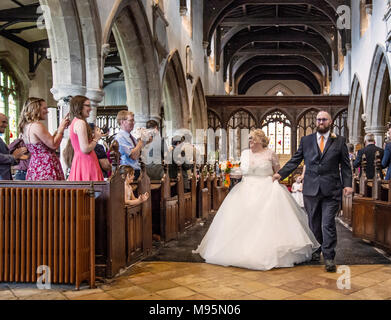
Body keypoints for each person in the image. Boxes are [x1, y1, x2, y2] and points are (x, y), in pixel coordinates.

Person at [193, 129, 319, 271]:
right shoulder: (245, 153)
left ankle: (269, 252)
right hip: (245, 189)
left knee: (265, 221)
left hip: (267, 189)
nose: (250, 141)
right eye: (250, 139)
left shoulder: (270, 154)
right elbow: (242, 171)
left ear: (260, 140)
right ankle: (239, 251)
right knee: (240, 221)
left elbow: (278, 172)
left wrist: (277, 178)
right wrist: (231, 173)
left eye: (253, 139)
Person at [273, 111, 353, 272]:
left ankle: (329, 256)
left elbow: (345, 165)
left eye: (324, 119)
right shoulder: (306, 140)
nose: (321, 122)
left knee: (327, 223)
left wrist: (348, 184)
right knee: (314, 223)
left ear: (330, 122)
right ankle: (317, 250)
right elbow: (295, 160)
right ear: (315, 122)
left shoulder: (339, 141)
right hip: (311, 189)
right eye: (318, 119)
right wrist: (280, 174)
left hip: (332, 189)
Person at [18, 97, 69, 181]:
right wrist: (61, 128)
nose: (47, 111)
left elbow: (49, 142)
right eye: (44, 108)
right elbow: (53, 145)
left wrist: (60, 128)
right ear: (36, 109)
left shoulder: (26, 126)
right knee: (51, 193)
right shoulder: (37, 125)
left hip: (35, 165)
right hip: (45, 165)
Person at [67, 96, 104, 181]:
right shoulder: (80, 122)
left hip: (80, 160)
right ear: (79, 106)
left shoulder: (75, 121)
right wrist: (96, 138)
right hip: (86, 161)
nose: (90, 109)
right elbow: (85, 149)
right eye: (87, 105)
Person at [115, 111, 144, 181]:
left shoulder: (131, 137)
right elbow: (133, 156)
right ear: (122, 122)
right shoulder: (120, 137)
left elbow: (138, 153)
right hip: (127, 172)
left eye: (133, 121)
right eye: (131, 120)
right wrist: (141, 140)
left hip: (136, 170)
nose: (133, 123)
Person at [0, 113, 27, 180]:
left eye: (6, 123)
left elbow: (6, 160)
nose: (6, 125)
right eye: (3, 122)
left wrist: (18, 157)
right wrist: (13, 156)